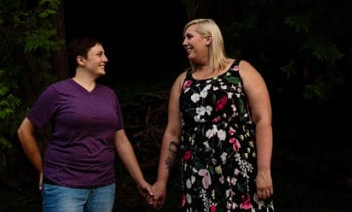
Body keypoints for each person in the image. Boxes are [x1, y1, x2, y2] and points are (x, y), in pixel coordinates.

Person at [17, 38, 154, 211]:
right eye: (99, 54)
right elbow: (24, 131)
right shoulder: (57, 92)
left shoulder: (109, 95)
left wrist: (139, 180)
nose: (105, 59)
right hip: (64, 186)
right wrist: (41, 168)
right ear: (81, 60)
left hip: (104, 187)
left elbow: (121, 140)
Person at [151, 18, 274, 210]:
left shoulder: (241, 70)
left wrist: (264, 170)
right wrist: (161, 181)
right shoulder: (183, 82)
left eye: (189, 37)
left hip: (240, 171)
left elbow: (263, 120)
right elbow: (173, 132)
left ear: (208, 38)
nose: (184, 43)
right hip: (199, 176)